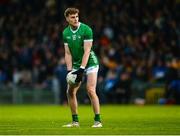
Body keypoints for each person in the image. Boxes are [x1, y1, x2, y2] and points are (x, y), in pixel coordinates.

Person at [62, 7, 102, 128]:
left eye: (77, 16)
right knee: (70, 91)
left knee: (90, 90)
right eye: (72, 17)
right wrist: (70, 71)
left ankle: (98, 121)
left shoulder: (86, 29)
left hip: (90, 62)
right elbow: (68, 53)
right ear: (67, 18)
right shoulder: (65, 33)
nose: (75, 19)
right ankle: (75, 122)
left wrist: (81, 69)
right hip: (76, 64)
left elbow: (87, 51)